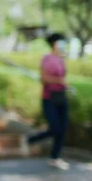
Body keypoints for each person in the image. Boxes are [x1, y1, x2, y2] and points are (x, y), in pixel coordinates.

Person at [28, 32, 70, 170]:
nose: (63, 44)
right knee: (56, 127)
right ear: (54, 43)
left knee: (62, 128)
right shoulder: (47, 58)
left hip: (61, 96)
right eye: (61, 42)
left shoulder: (61, 59)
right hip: (49, 97)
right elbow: (43, 79)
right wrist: (60, 81)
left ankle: (55, 158)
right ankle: (31, 140)